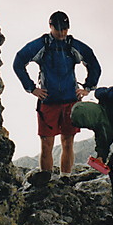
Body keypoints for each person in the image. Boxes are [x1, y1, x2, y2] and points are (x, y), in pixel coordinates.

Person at [13, 11, 101, 183]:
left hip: (70, 101)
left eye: (65, 29)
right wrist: (31, 88)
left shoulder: (72, 45)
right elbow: (18, 61)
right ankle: (45, 178)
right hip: (48, 102)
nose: (62, 33)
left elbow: (93, 62)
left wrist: (88, 88)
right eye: (58, 29)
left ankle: (65, 179)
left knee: (68, 142)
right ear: (50, 27)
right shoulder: (42, 44)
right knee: (46, 143)